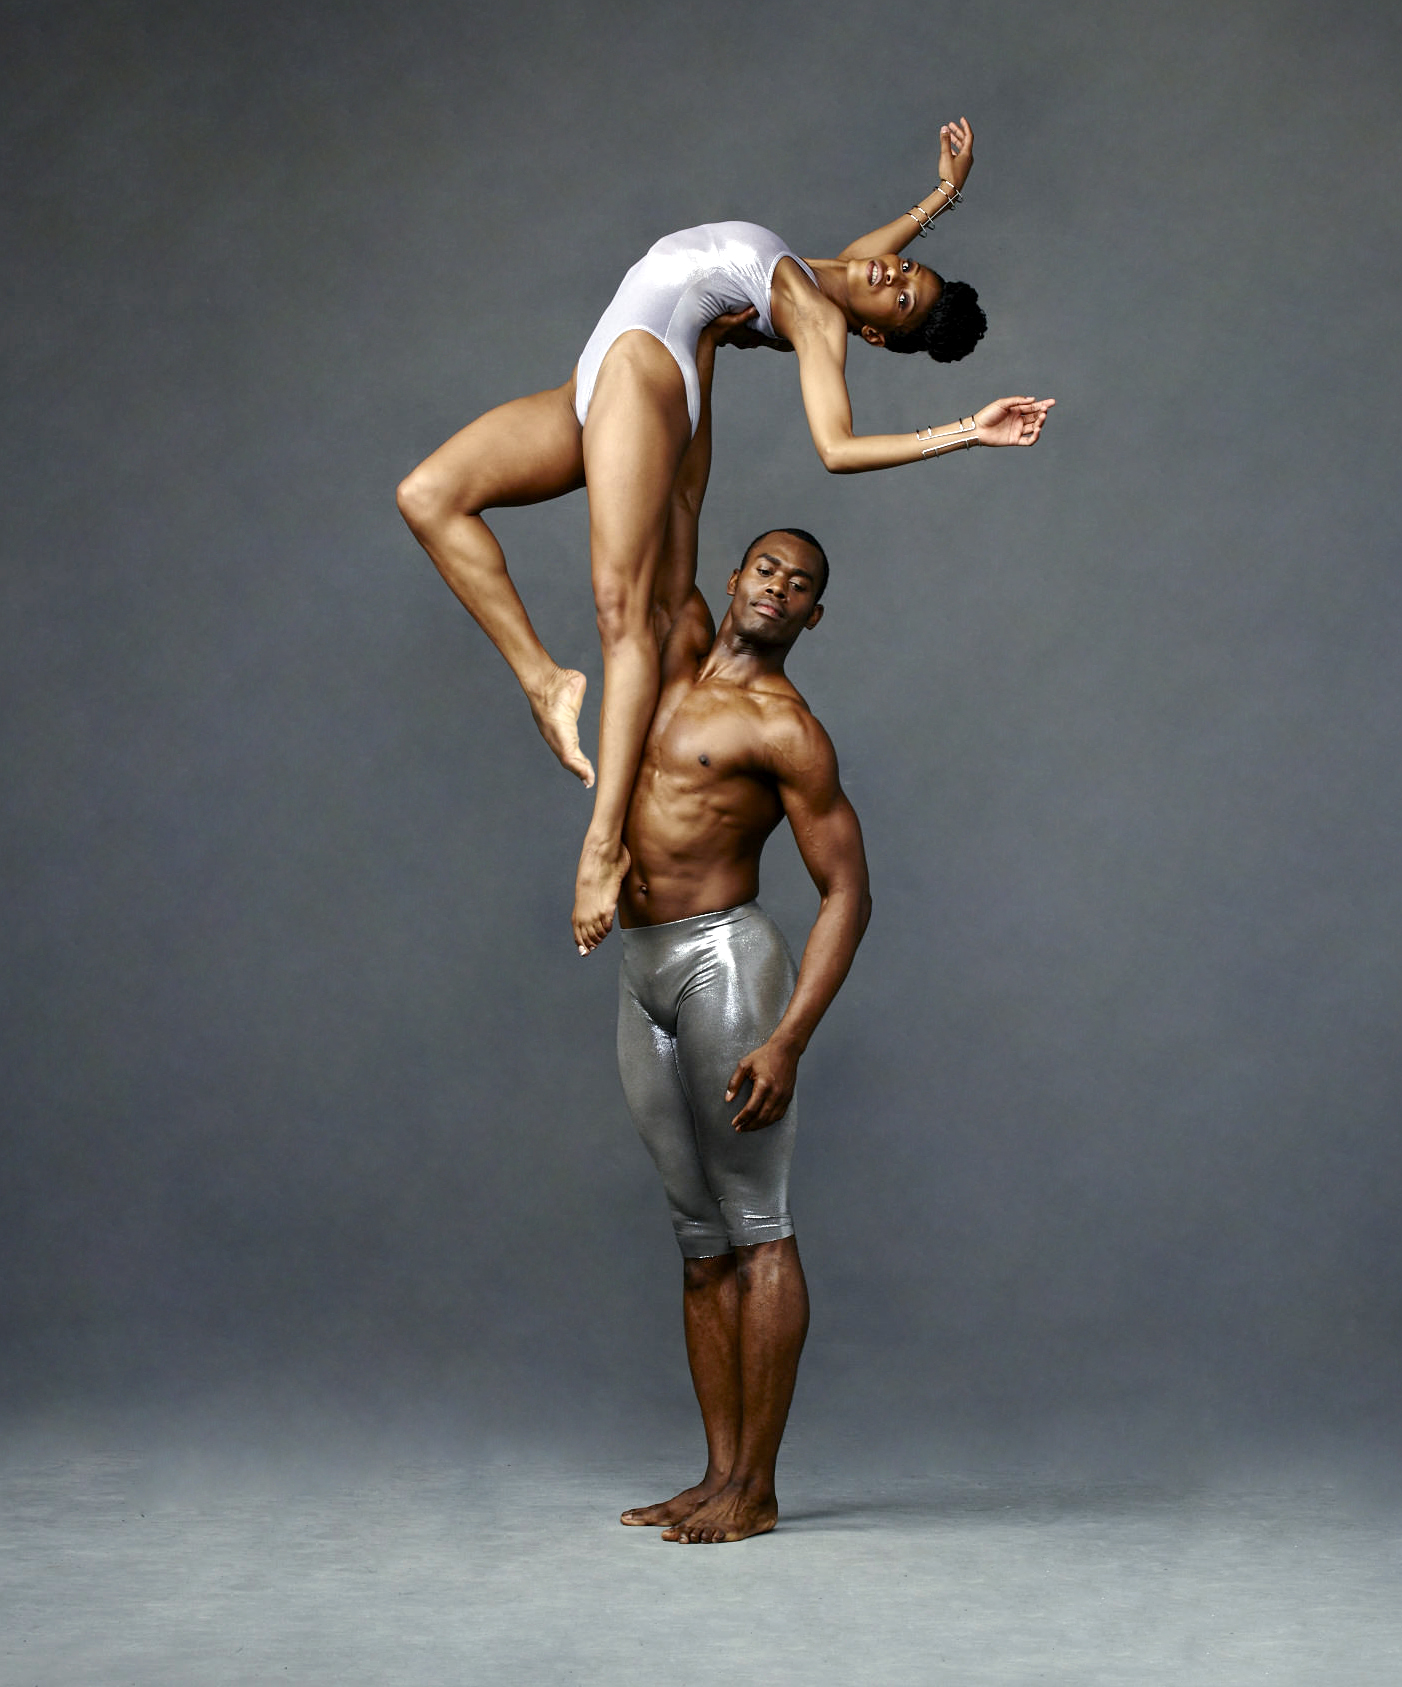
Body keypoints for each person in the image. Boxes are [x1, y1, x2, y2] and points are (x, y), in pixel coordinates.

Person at [397, 117, 1052, 955]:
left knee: (624, 613)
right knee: (430, 496)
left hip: (644, 372)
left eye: (900, 296)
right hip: (597, 374)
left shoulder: (819, 321)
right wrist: (942, 197)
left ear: (878, 334)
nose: (893, 271)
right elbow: (875, 254)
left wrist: (968, 428)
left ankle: (600, 846)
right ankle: (543, 681)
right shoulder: (839, 272)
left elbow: (836, 449)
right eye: (911, 272)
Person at [614, 516, 868, 1545]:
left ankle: (756, 1488)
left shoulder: (785, 725)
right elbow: (663, 490)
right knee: (697, 1236)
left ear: (813, 614)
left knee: (756, 1224)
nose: (777, 587)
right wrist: (704, 347)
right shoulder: (666, 653)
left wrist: (789, 1039)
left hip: (726, 962)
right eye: (765, 567)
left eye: (798, 583)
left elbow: (846, 891)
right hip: (640, 970)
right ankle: (715, 1473)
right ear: (733, 577)